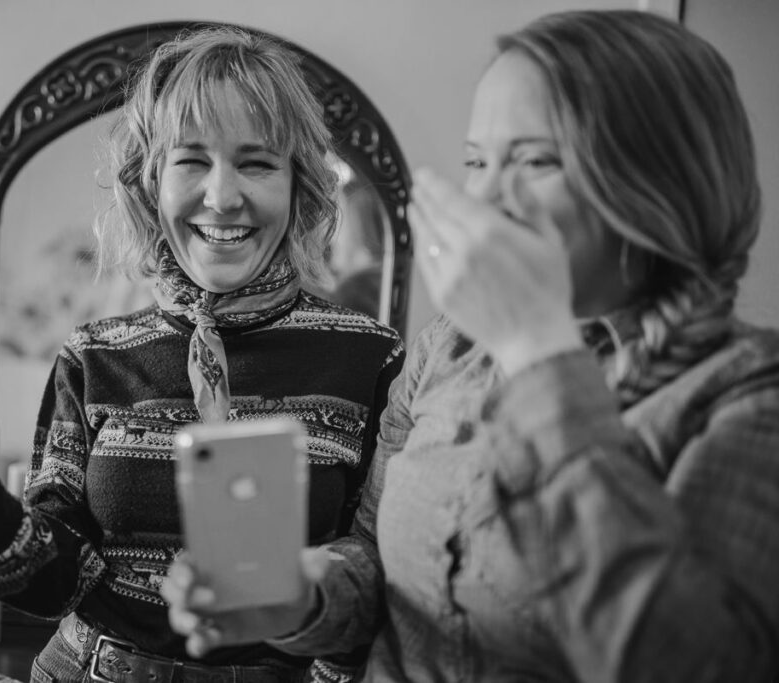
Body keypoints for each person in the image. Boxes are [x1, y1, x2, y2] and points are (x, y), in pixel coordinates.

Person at [162, 10, 779, 682]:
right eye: (476, 161)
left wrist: (539, 351)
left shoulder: (747, 394)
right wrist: (301, 598)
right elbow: (376, 563)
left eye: (534, 159)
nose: (484, 196)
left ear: (661, 182)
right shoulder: (445, 352)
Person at [0, 26, 404, 683]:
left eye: (256, 162)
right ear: (150, 182)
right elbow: (56, 583)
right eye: (192, 159)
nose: (223, 197)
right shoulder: (94, 355)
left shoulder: (370, 359)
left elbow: (382, 585)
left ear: (299, 182)